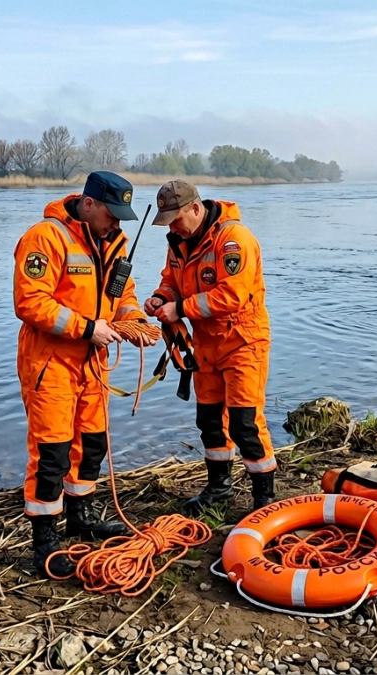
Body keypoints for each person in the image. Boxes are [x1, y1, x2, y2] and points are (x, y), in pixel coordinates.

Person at [12, 170, 158, 578]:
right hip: (51, 363)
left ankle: (82, 517)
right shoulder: (46, 237)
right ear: (89, 204)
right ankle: (44, 542)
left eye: (122, 216)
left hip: (92, 363)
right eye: (112, 213)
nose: (117, 222)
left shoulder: (115, 241)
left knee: (91, 444)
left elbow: (122, 297)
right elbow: (30, 302)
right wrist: (89, 328)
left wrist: (137, 323)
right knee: (51, 454)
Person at [142, 180, 276, 515]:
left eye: (176, 219)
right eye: (168, 221)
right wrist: (162, 298)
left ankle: (264, 497)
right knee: (210, 421)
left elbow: (232, 295)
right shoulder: (179, 241)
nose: (171, 227)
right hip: (205, 346)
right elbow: (172, 280)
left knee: (245, 423)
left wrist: (181, 308)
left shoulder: (234, 240)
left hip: (243, 342)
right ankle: (219, 489)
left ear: (196, 208)